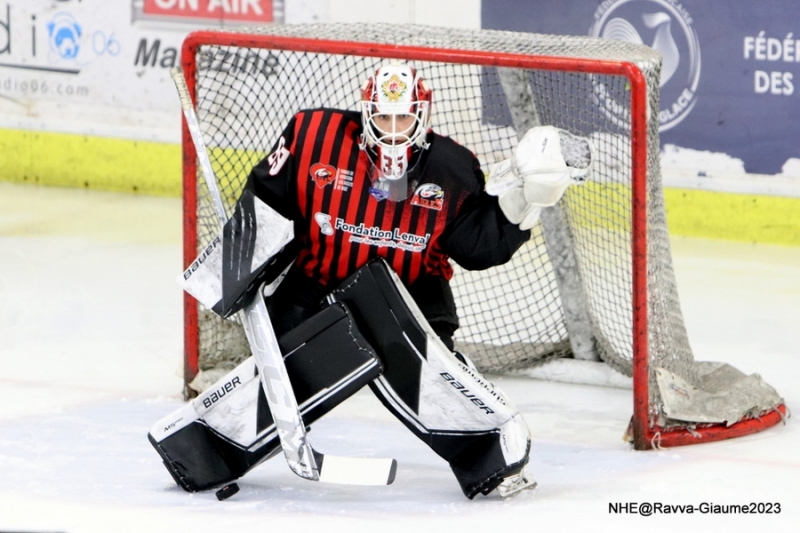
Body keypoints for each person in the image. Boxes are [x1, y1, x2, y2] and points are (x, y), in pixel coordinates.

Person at [239, 63, 588, 498]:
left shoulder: (452, 167)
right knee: (281, 371)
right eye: (383, 117)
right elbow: (268, 197)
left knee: (434, 381)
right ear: (365, 113)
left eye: (402, 117)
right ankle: (224, 441)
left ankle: (491, 455)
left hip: (412, 292)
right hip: (318, 280)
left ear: (422, 115)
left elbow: (476, 249)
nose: (392, 129)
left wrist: (525, 203)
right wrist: (239, 267)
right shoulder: (313, 136)